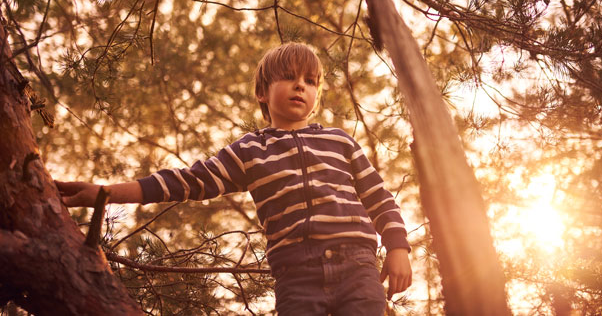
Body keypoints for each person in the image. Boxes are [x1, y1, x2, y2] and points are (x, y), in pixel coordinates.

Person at [56, 42, 413, 315]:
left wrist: (397, 247)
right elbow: (187, 181)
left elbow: (379, 199)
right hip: (297, 274)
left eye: (310, 81)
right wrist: (105, 193)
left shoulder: (339, 141)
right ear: (262, 92)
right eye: (289, 77)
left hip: (358, 267)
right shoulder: (249, 151)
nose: (300, 86)